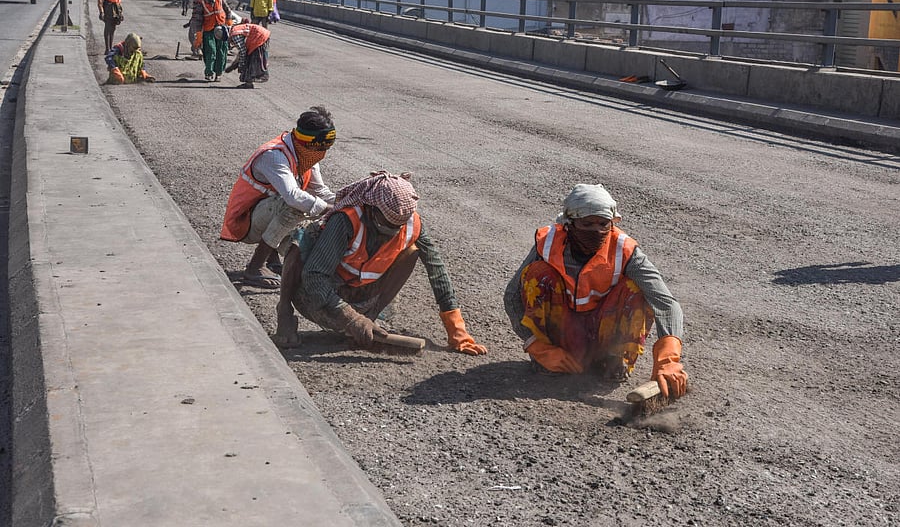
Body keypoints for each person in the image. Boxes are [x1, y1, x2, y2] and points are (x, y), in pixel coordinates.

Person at [273, 170, 488, 357]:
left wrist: (456, 328)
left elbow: (436, 268)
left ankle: (370, 320)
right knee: (300, 239)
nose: (392, 233)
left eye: (398, 226)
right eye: (386, 226)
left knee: (412, 252)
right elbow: (314, 277)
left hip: (363, 297)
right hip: (315, 298)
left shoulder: (410, 223)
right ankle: (284, 313)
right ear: (371, 209)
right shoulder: (346, 220)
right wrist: (350, 318)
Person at [503, 183, 688, 399]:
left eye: (603, 224)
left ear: (613, 223)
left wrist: (668, 360)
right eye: (588, 223)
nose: (597, 231)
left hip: (604, 335)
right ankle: (550, 358)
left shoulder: (624, 250)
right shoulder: (549, 243)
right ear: (569, 224)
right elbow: (512, 296)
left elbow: (666, 303)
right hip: (563, 335)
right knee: (538, 274)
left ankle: (612, 359)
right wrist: (535, 345)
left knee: (636, 287)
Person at [220, 106, 337, 289]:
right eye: (319, 148)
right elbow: (293, 197)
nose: (322, 154)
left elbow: (320, 191)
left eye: (326, 148)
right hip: (245, 221)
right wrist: (330, 209)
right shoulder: (274, 155)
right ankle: (254, 267)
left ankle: (272, 260)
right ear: (305, 142)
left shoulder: (306, 154)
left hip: (264, 213)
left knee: (306, 235)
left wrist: (349, 200)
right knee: (295, 206)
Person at [188, 0, 232, 81]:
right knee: (210, 52)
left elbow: (228, 11)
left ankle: (218, 74)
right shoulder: (201, 3)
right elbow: (198, 20)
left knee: (221, 52)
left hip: (221, 30)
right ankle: (209, 72)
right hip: (209, 31)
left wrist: (229, 23)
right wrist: (199, 35)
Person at [219, 22, 270, 89]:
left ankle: (255, 79)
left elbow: (243, 52)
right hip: (261, 34)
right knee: (250, 57)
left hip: (259, 37)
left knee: (252, 59)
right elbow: (242, 51)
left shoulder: (235, 35)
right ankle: (249, 82)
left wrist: (240, 65)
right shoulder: (234, 29)